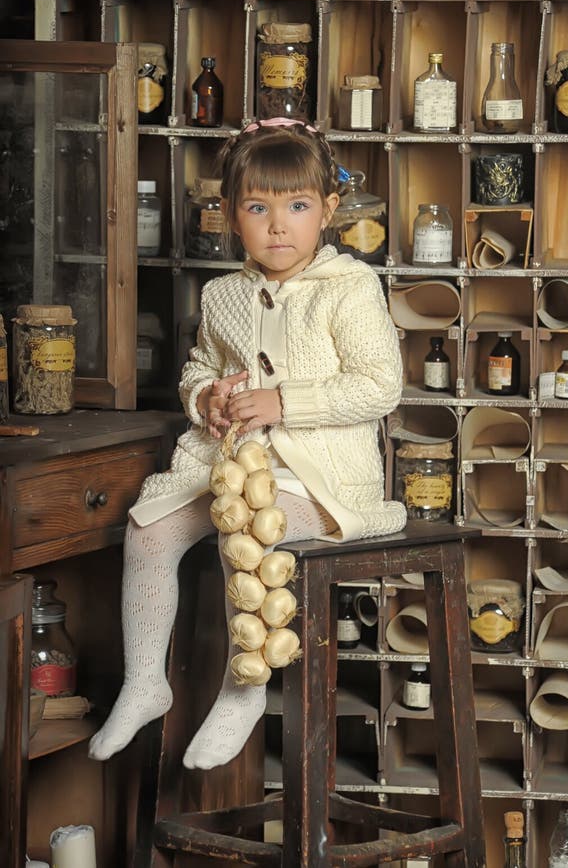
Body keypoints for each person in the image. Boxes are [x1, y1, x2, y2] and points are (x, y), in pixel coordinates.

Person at [88, 117, 406, 771]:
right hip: (230, 467)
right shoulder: (223, 294)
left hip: (320, 480)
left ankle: (245, 687)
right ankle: (145, 680)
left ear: (328, 211)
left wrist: (284, 402)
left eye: (296, 206)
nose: (277, 225)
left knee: (251, 534)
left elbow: (379, 386)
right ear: (231, 215)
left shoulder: (348, 289)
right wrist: (205, 397)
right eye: (258, 208)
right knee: (148, 531)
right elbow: (199, 367)